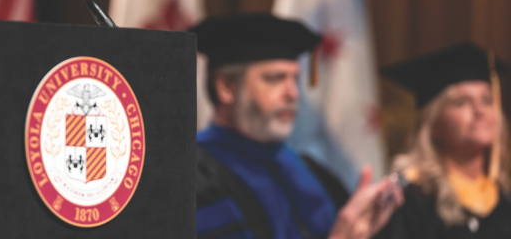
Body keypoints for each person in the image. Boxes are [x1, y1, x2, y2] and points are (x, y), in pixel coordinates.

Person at [191, 13, 404, 239]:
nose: (293, 94)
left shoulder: (311, 171)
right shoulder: (194, 175)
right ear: (226, 87)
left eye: (295, 79)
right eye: (275, 78)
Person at [375, 43, 511, 238]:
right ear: (433, 125)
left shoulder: (504, 205)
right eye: (462, 102)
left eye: (487, 100)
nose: (480, 111)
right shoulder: (409, 200)